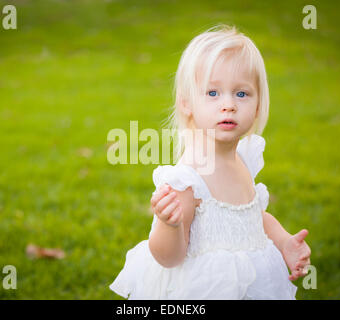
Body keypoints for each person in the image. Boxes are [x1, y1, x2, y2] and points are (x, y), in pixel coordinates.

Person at [109, 24, 311, 299]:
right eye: (213, 93)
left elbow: (251, 218)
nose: (228, 104)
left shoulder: (244, 159)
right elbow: (169, 257)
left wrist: (284, 241)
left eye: (241, 93)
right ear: (187, 103)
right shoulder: (188, 177)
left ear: (258, 105)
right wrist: (168, 225)